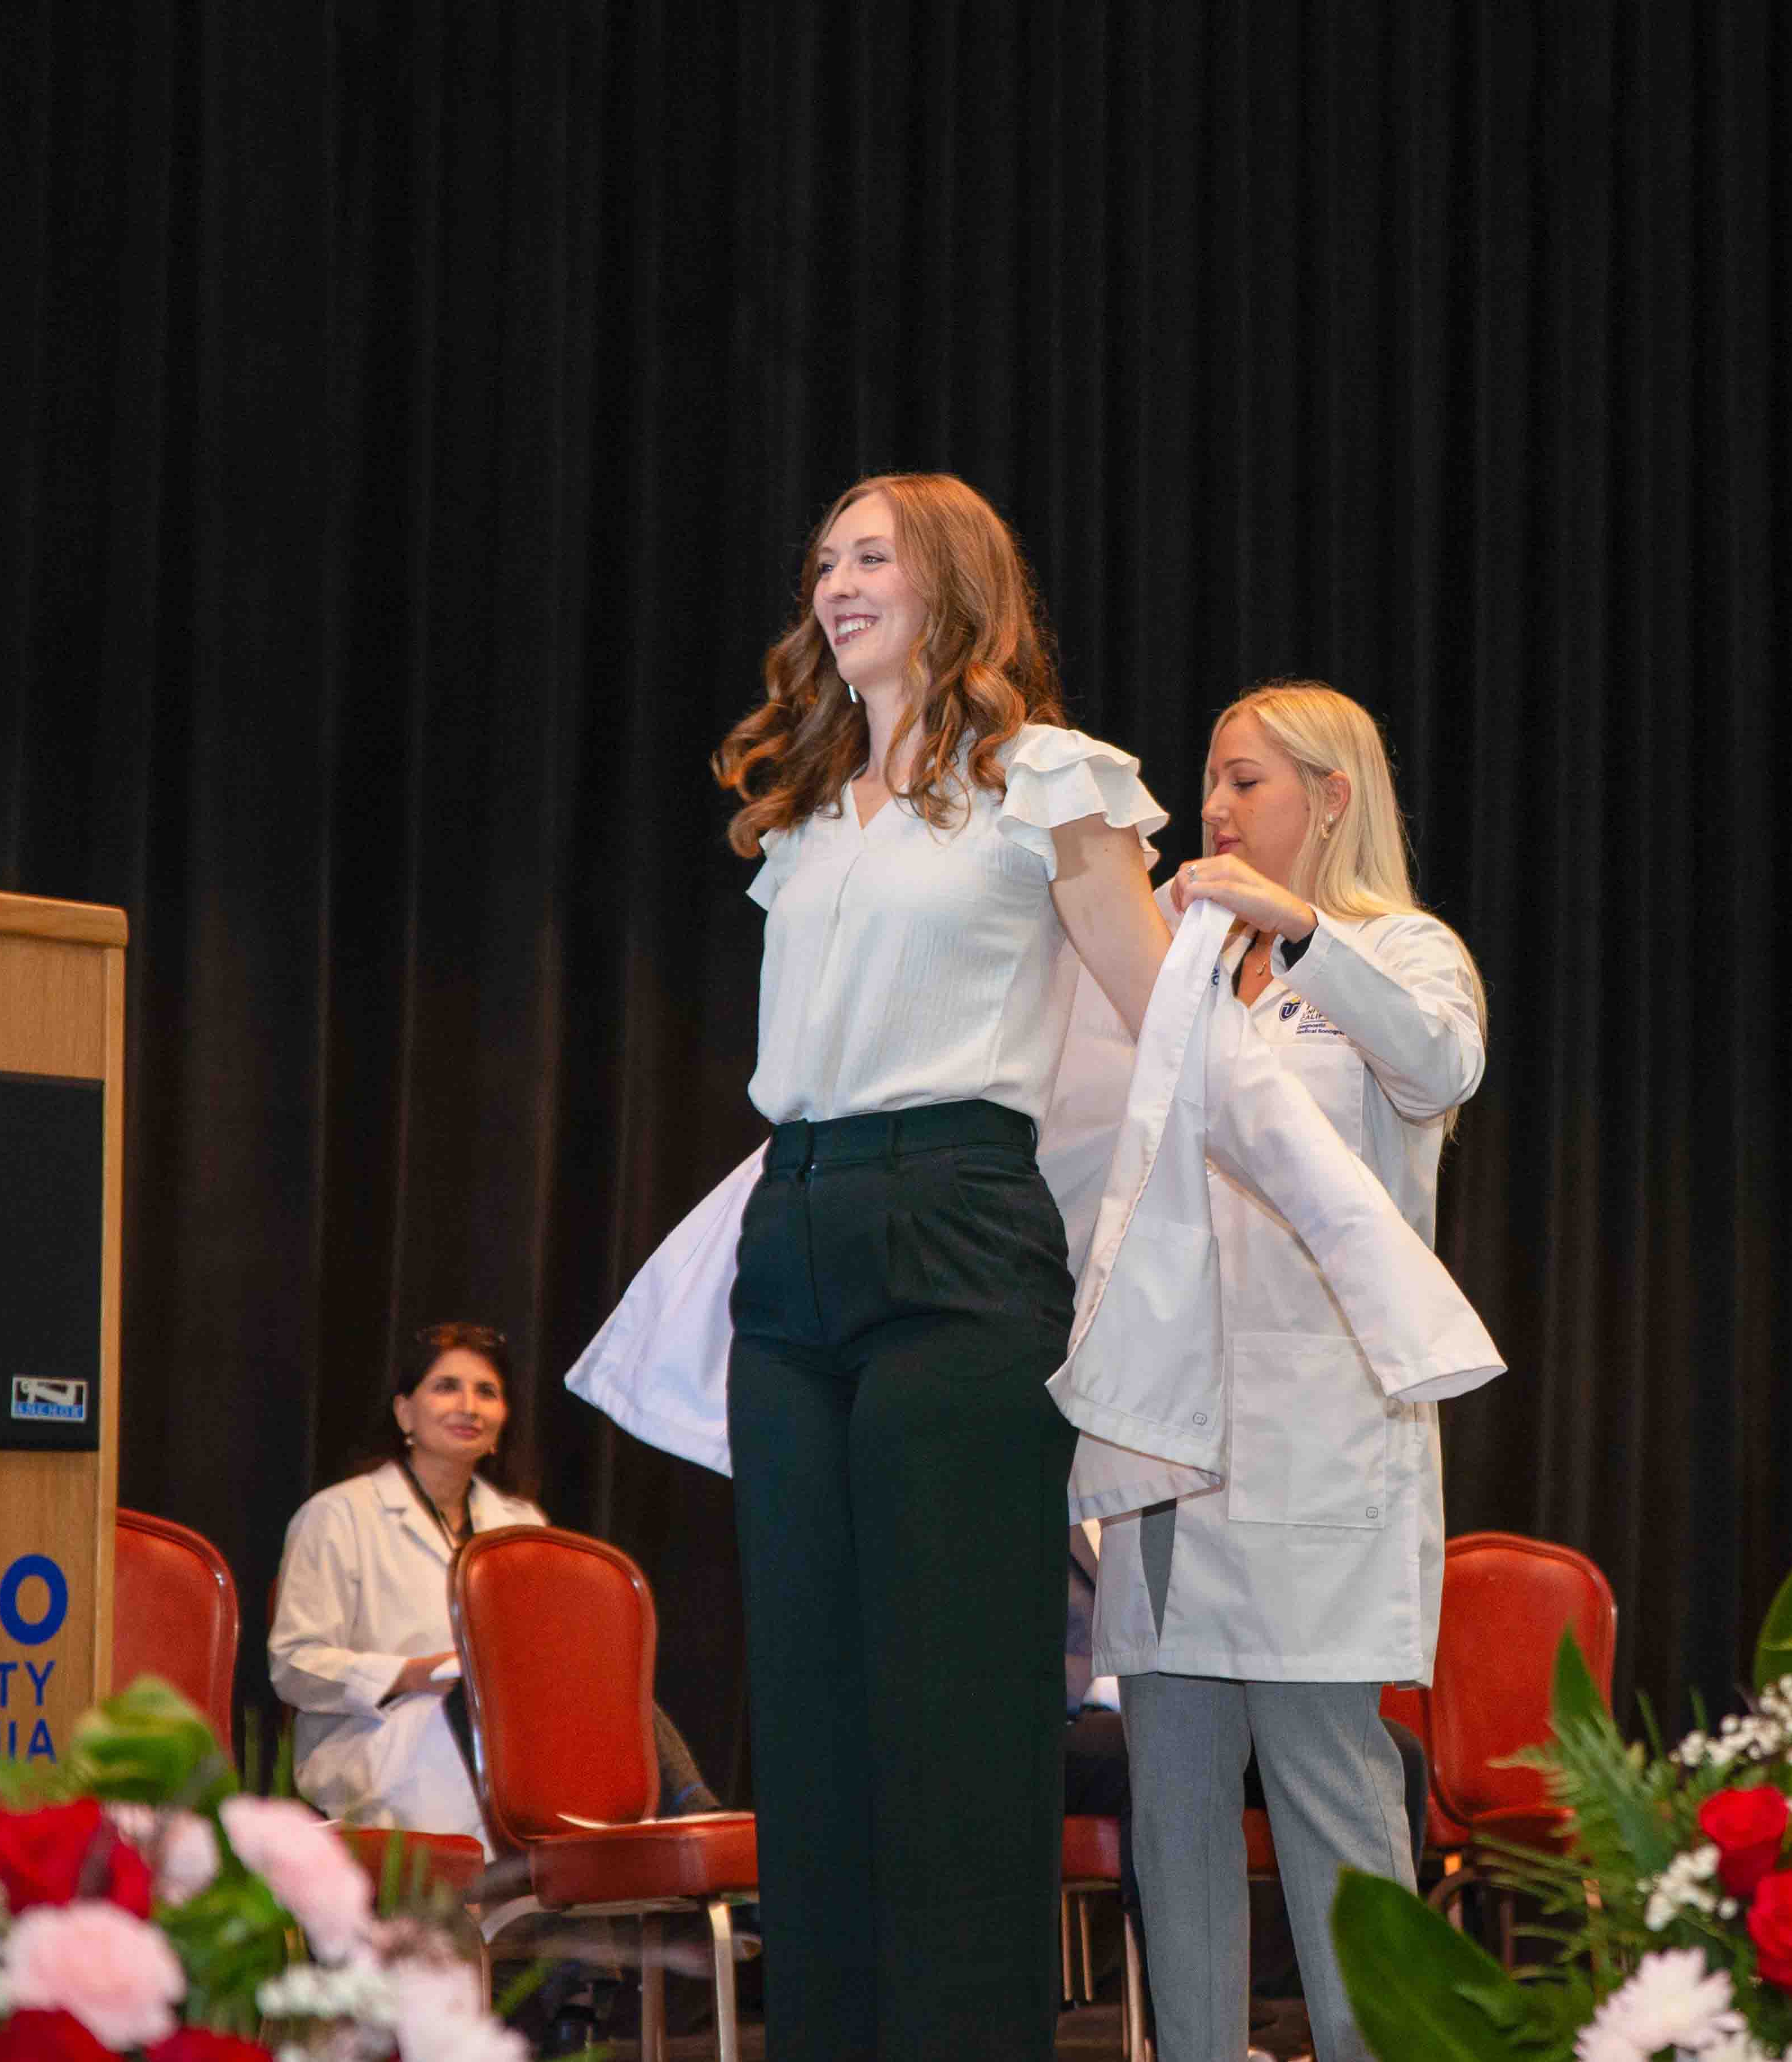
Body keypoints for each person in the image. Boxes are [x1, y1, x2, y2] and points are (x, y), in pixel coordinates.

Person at [714, 473, 1171, 2061]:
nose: (837, 584)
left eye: (872, 557)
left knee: (959, 1705)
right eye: (823, 558)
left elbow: (1163, 1032)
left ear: (955, 585)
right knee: (813, 1691)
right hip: (796, 1234)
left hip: (960, 1217)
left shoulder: (1047, 781)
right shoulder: (808, 816)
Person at [1099, 681, 1486, 2062]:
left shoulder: (1405, 953)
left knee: (1331, 1791)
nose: (1211, 806)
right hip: (1168, 1443)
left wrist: (1306, 932)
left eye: (1242, 778)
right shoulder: (1188, 967)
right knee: (1176, 1806)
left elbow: (1439, 1065)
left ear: (1328, 795)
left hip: (1319, 1442)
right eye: (1208, 778)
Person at [271, 1321, 550, 1853]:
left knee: (606, 1690)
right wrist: (409, 1675)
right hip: (373, 1743)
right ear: (404, 1413)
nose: (468, 1406)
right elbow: (294, 1665)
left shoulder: (524, 1526)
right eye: (446, 1387)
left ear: (503, 1421)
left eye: (486, 1392)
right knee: (453, 1712)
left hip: (506, 1741)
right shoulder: (337, 1515)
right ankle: (480, 1906)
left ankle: (684, 1817)